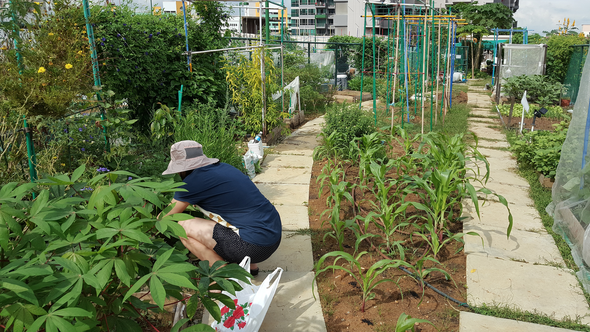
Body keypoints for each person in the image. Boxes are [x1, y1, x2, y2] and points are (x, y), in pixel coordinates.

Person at [162, 140, 282, 275]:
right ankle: (250, 267)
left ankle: (222, 275)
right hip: (273, 236)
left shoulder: (191, 182)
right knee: (223, 217)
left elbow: (165, 217)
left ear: (181, 167)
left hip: (252, 245)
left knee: (182, 226)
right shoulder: (224, 167)